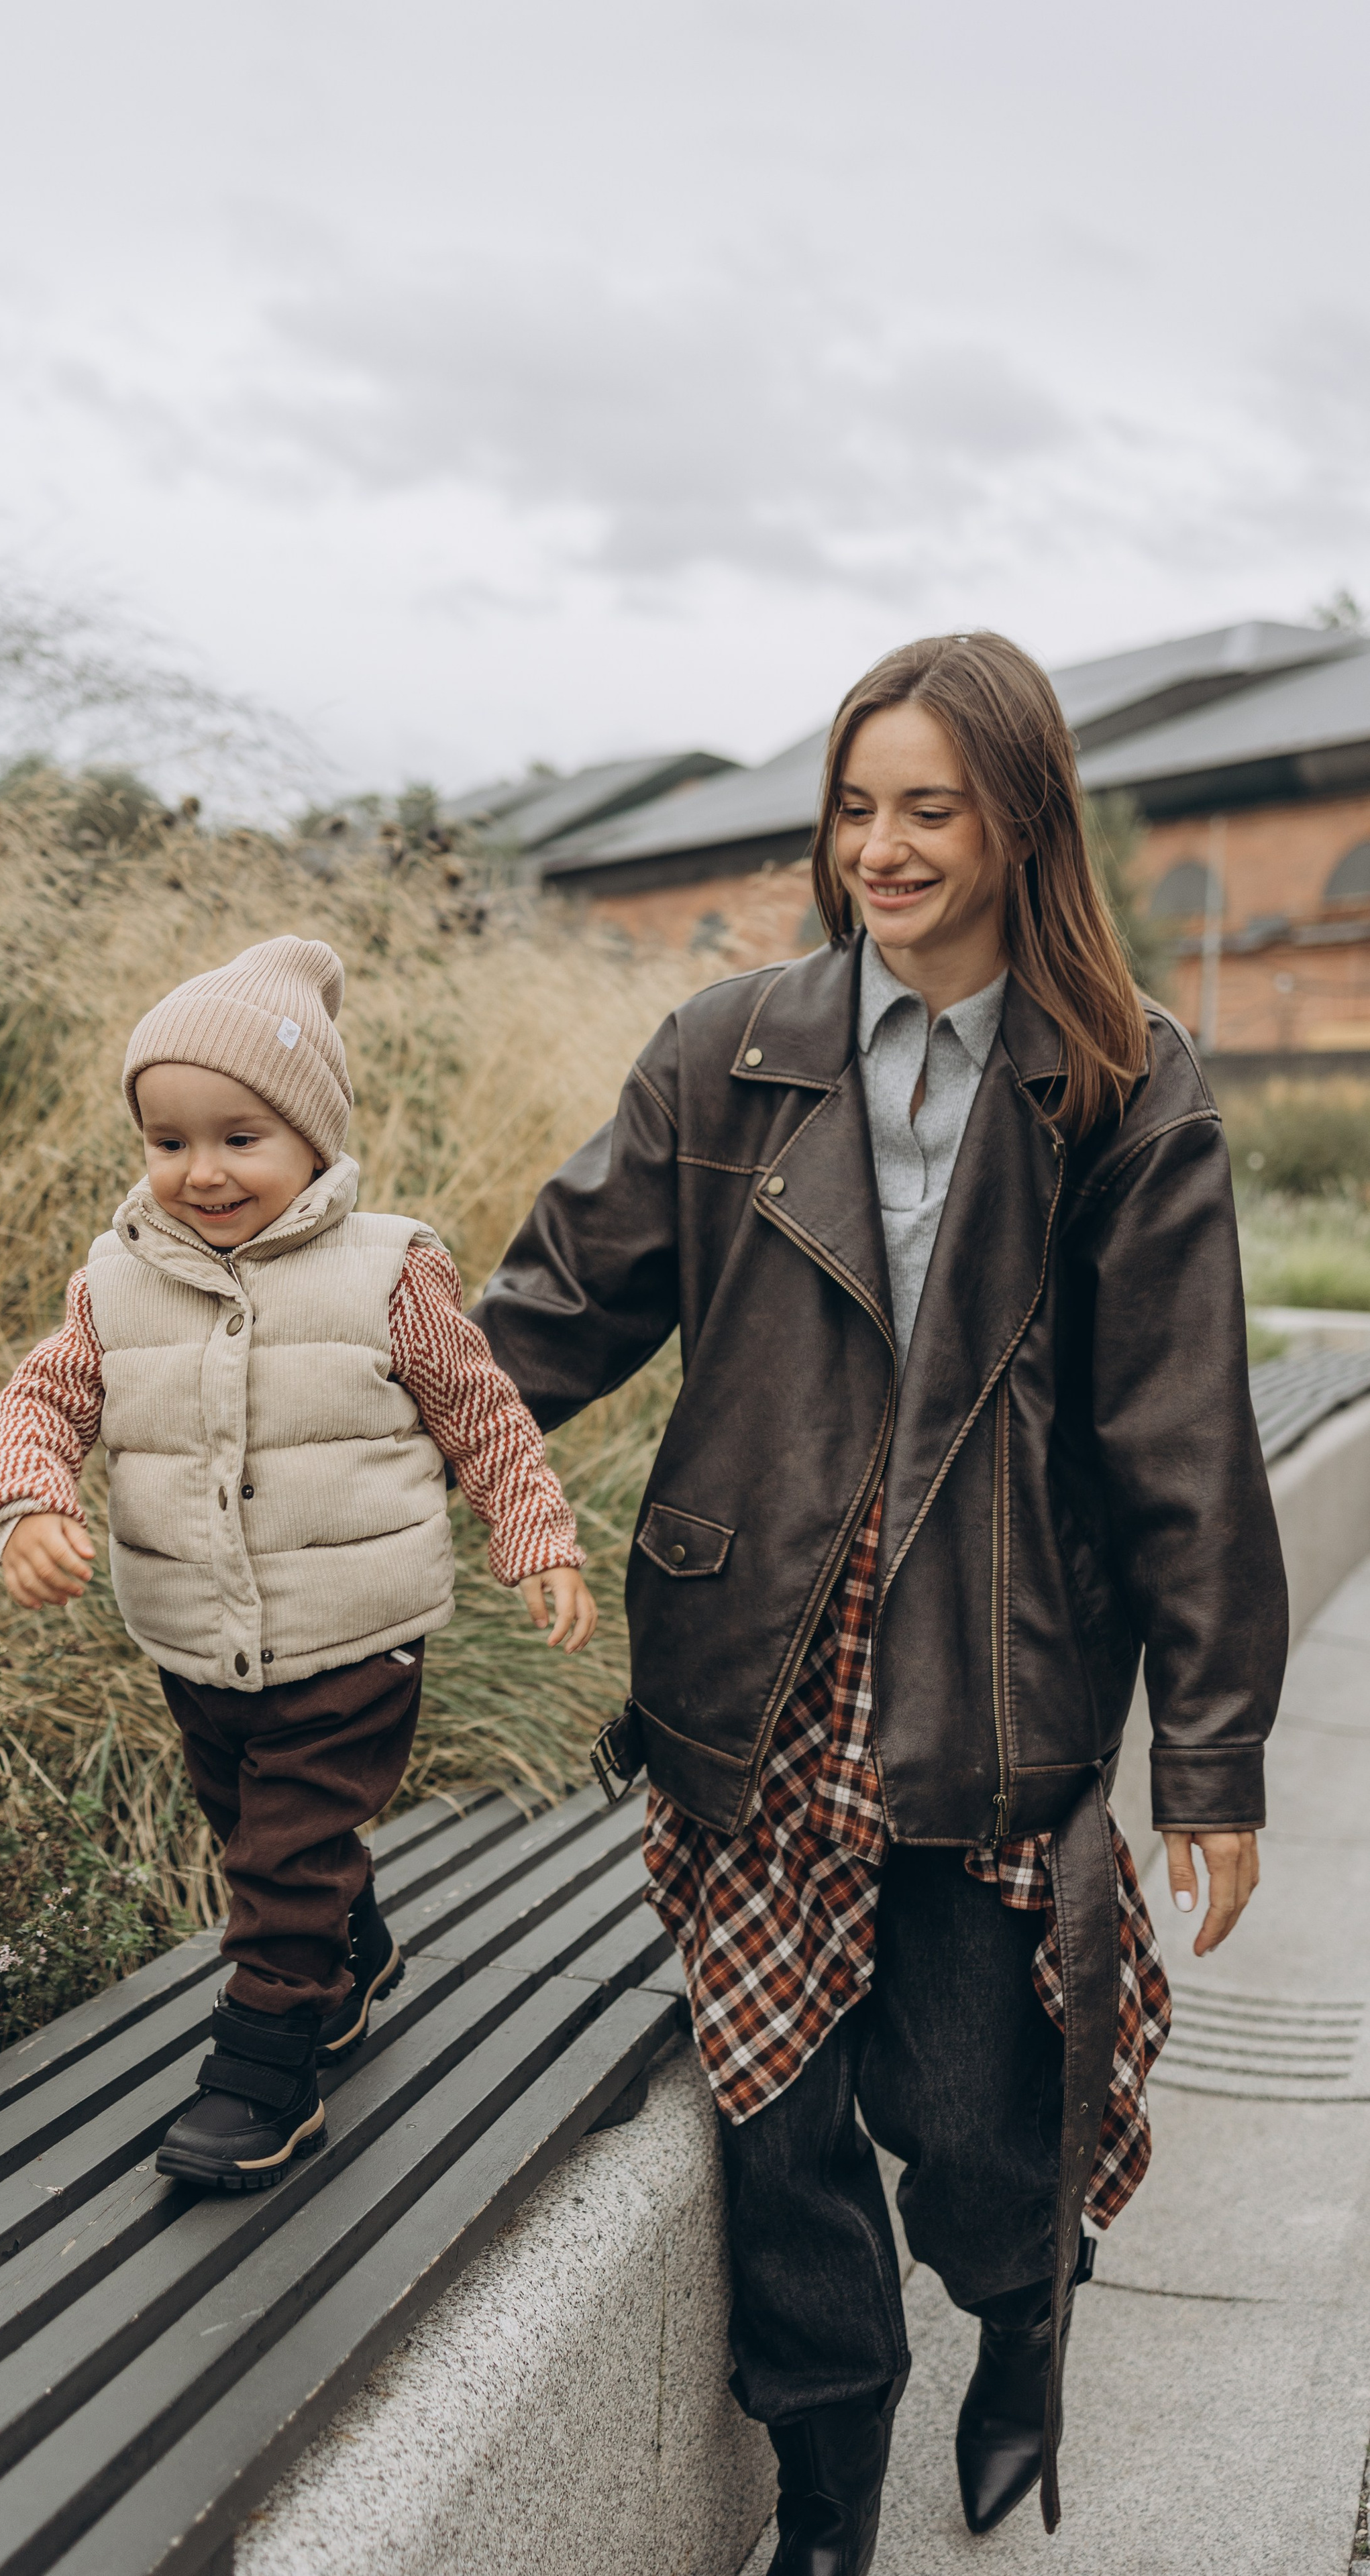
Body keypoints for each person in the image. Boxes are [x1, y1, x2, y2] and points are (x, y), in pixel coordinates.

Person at [471, 633, 1284, 2572]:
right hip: (748, 1682)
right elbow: (550, 1315)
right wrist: (332, 1394)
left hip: (993, 1687)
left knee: (980, 2117)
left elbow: (1186, 1442)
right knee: (780, 2122)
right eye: (856, 807)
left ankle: (1023, 2328)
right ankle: (831, 2489)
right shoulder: (721, 1049)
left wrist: (1214, 1761)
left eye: (928, 807)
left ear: (1019, 820)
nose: (882, 847)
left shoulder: (1124, 1086)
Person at [0, 934, 596, 2191]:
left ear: (313, 1137)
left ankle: (265, 2071)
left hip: (355, 1633)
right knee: (248, 1824)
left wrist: (534, 1534)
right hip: (196, 1637)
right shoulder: (116, 1280)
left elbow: (481, 1412)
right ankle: (350, 1960)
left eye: (239, 1137)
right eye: (169, 1141)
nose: (200, 1173)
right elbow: (42, 1402)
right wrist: (27, 1502)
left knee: (281, 1856)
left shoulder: (389, 1269)